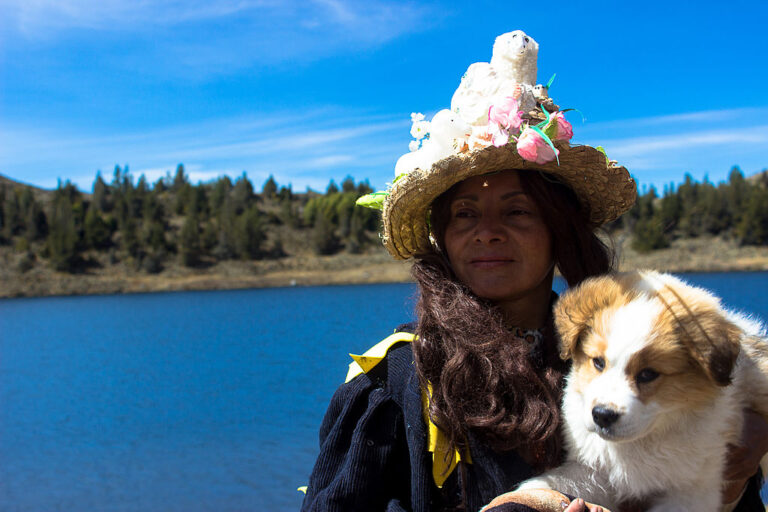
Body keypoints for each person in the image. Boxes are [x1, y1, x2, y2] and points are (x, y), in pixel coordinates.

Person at [300, 31, 767, 512]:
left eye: (517, 211)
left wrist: (739, 465)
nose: (487, 233)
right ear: (443, 237)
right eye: (464, 214)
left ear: (558, 230)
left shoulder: (619, 354)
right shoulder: (398, 379)